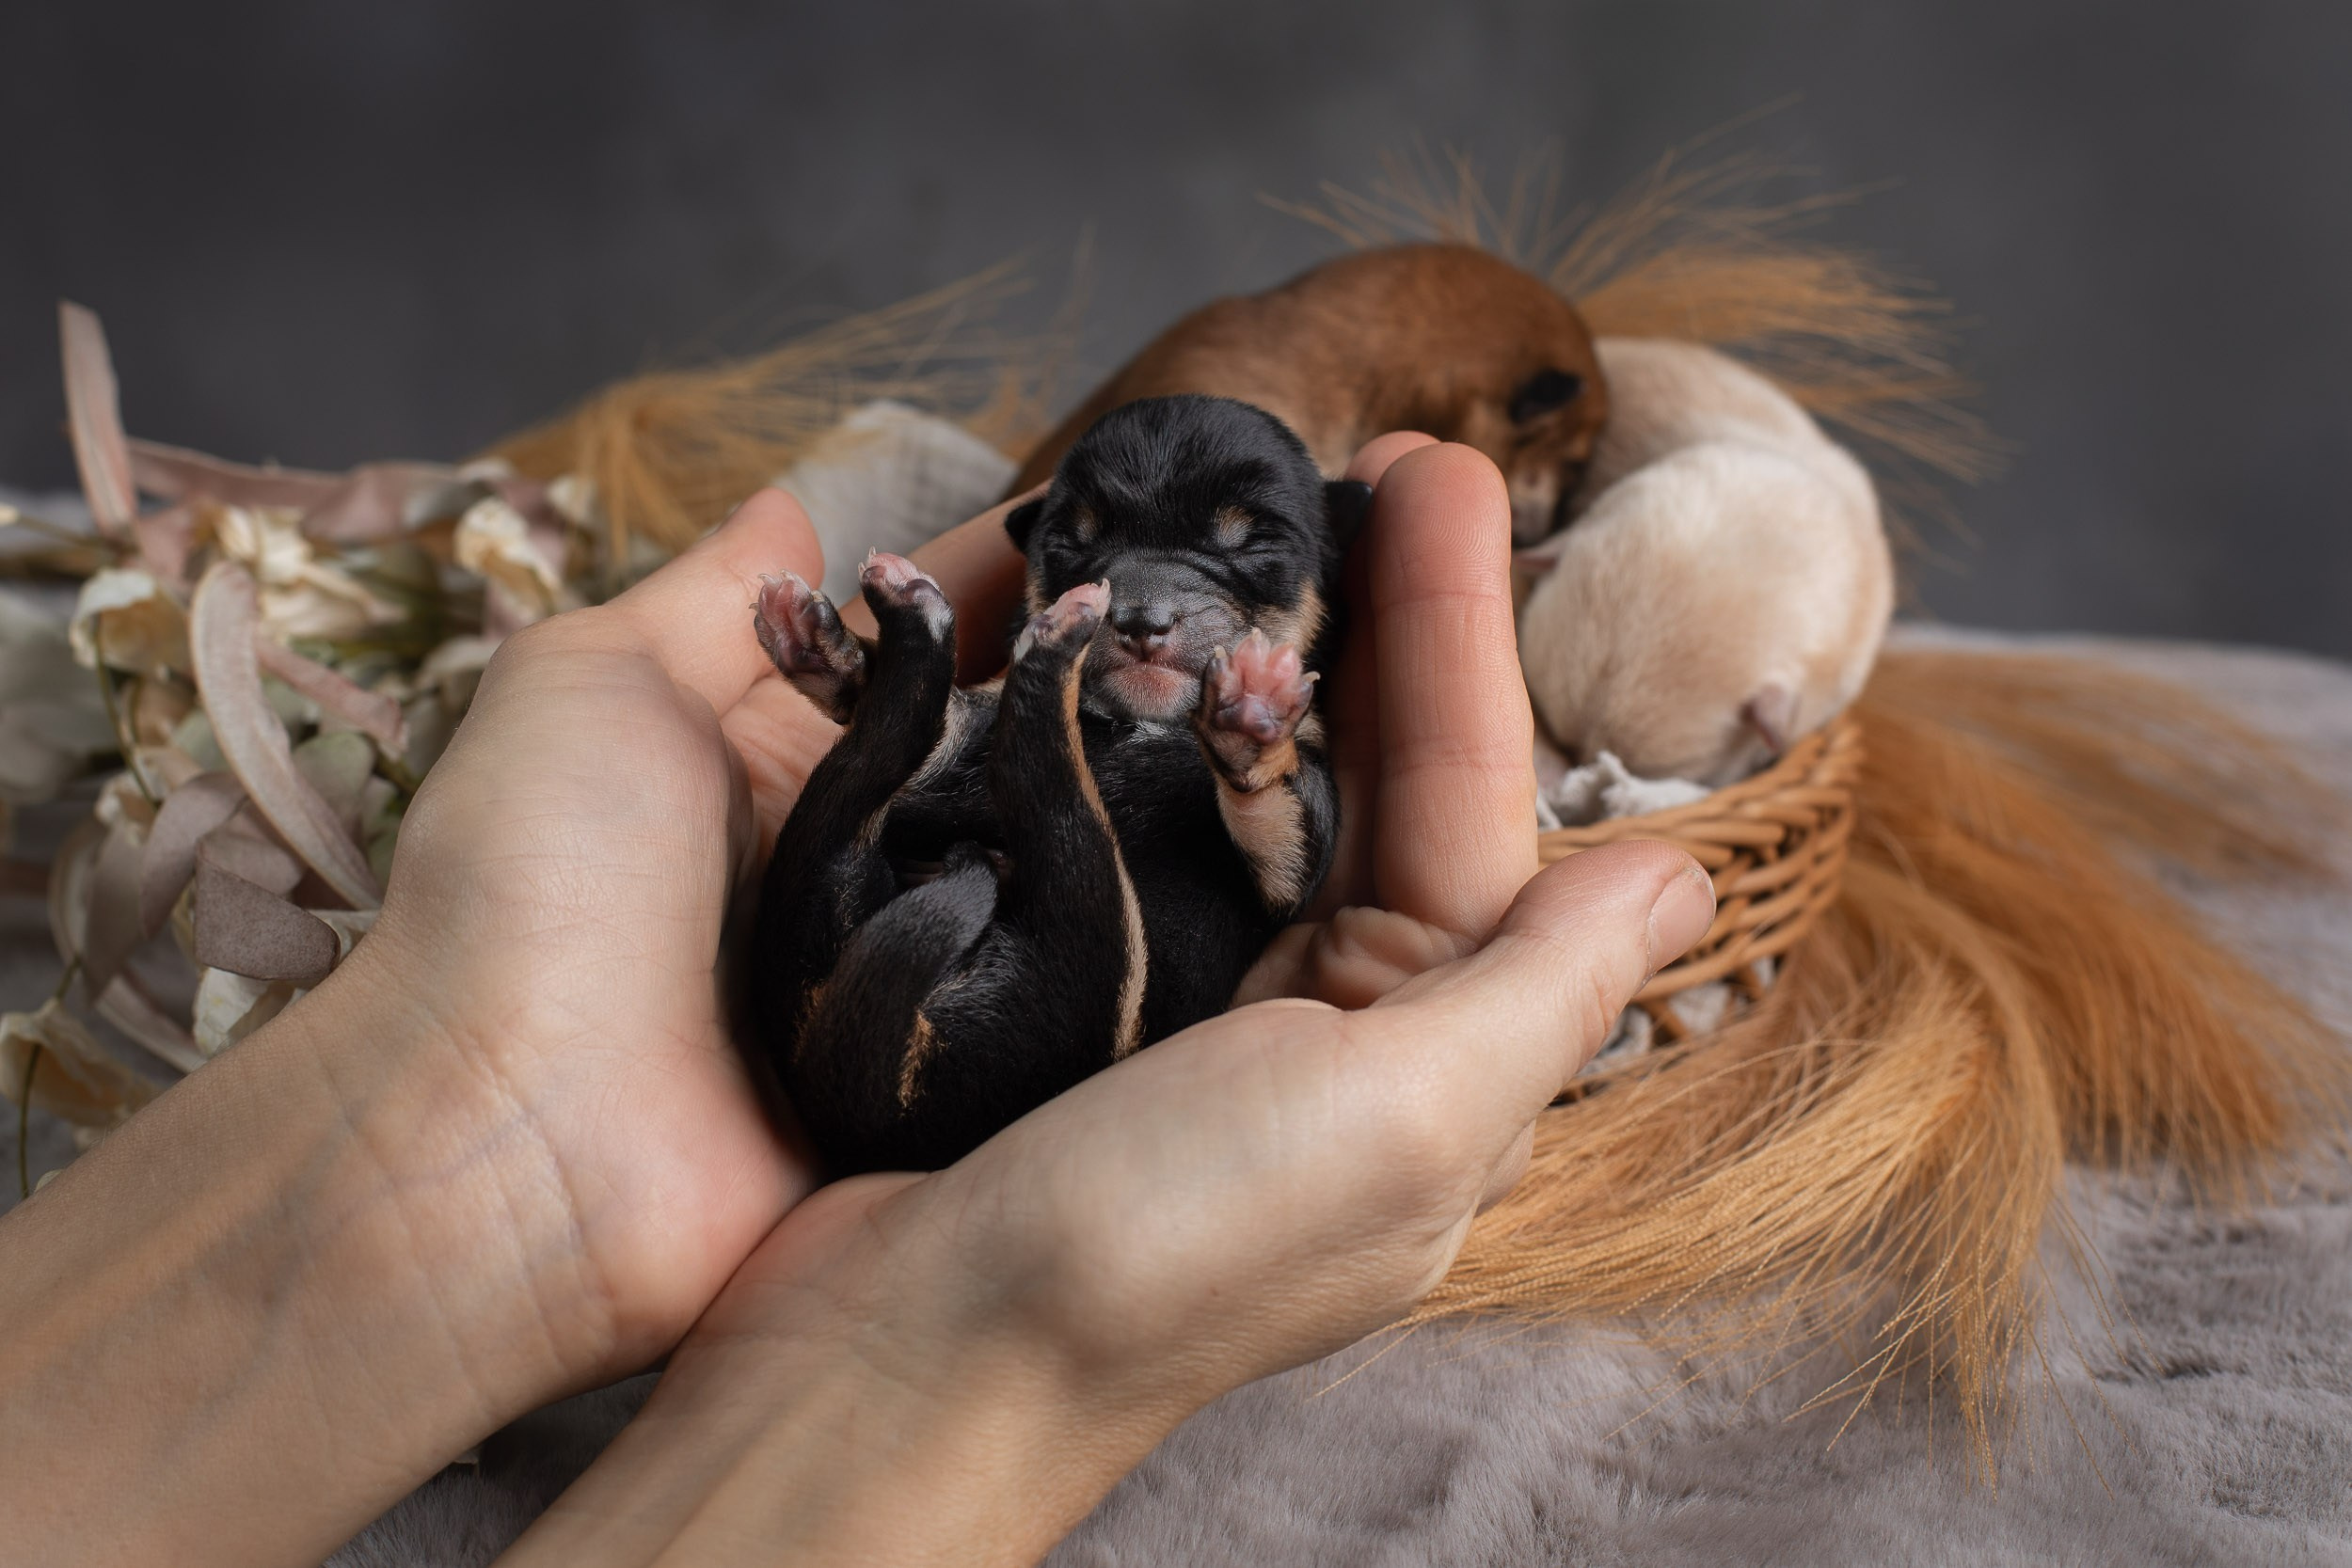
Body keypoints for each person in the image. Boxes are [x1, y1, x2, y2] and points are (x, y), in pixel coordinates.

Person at [0, 435, 1712, 1566]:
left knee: (999, 810)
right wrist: (463, 1118)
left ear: (1320, 586)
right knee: (909, 794)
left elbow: (1271, 865)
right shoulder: (1045, 686)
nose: (1170, 606)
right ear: (1053, 562)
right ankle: (888, 688)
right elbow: (922, 797)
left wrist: (1254, 761)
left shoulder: (1251, 765)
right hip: (887, 984)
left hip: (1052, 1013)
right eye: (1101, 556)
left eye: (1244, 564)